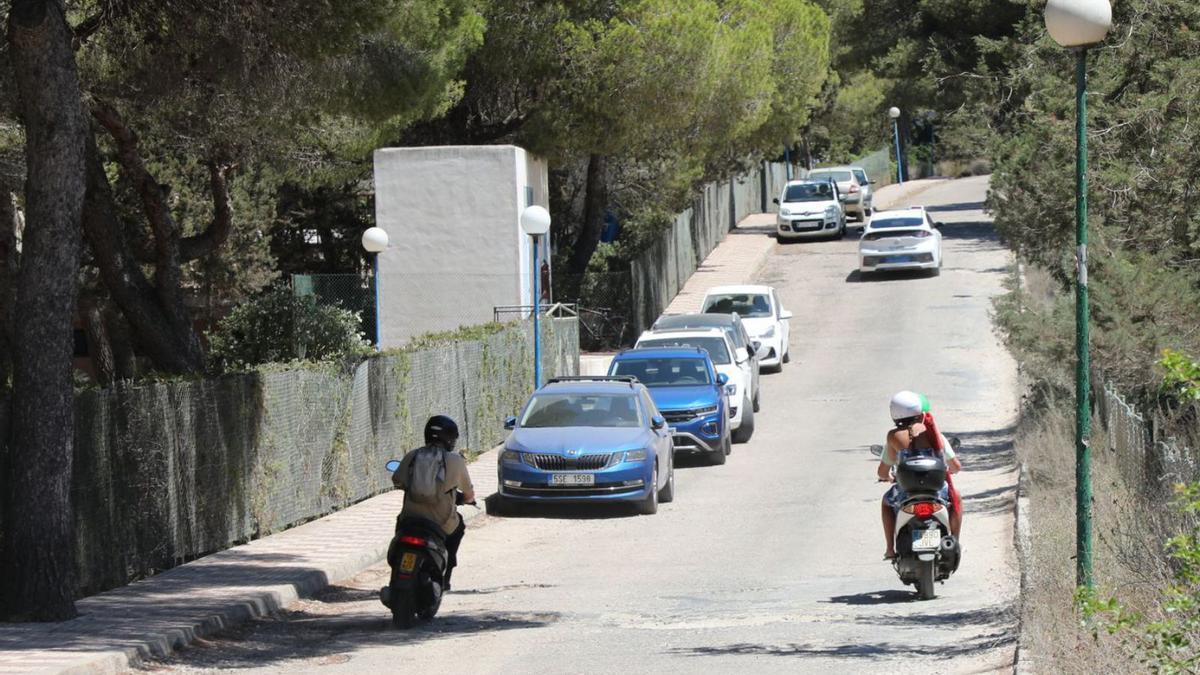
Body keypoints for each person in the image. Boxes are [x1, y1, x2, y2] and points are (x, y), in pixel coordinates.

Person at [392, 415, 476, 590]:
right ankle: (446, 577)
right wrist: (462, 498)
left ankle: (396, 575)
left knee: (399, 535)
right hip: (441, 523)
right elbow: (469, 496)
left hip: (410, 519)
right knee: (458, 528)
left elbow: (397, 481)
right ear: (450, 439)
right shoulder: (455, 460)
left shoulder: (412, 456)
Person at [877, 391, 962, 560]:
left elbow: (882, 471)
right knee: (957, 498)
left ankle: (889, 548)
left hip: (906, 492)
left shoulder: (893, 436)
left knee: (886, 503)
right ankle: (954, 541)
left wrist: (887, 477)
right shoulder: (934, 434)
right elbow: (956, 466)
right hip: (936, 490)